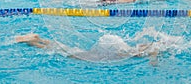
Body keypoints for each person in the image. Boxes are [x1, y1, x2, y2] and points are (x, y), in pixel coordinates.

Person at [15, 33, 160, 65]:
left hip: (105, 49)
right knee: (67, 52)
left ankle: (37, 39)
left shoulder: (133, 51)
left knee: (66, 50)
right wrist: (154, 61)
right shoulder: (135, 52)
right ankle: (32, 41)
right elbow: (152, 52)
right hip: (105, 51)